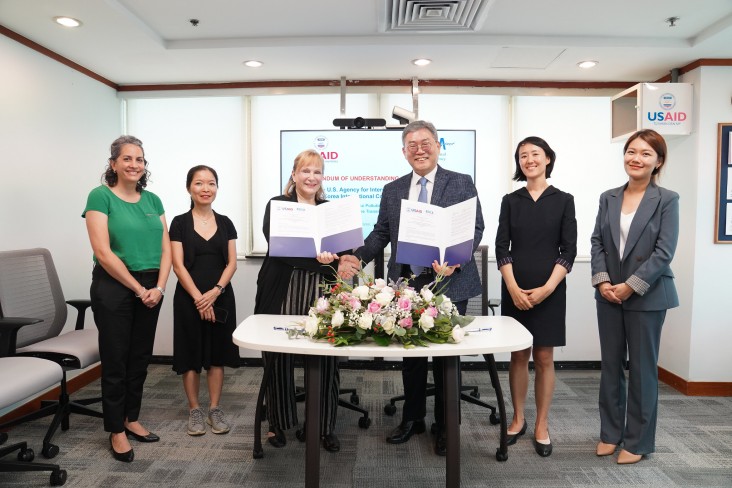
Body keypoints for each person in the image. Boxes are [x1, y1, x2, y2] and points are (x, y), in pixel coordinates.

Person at [353, 120, 485, 456]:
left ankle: (445, 424)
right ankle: (413, 419)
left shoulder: (460, 182)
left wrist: (455, 259)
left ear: (438, 146)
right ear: (404, 152)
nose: (419, 149)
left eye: (425, 143)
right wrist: (355, 258)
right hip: (408, 283)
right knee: (411, 358)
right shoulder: (393, 189)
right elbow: (380, 234)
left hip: (451, 280)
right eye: (412, 144)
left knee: (445, 359)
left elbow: (475, 227)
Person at [254, 149, 356, 453]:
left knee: (326, 358)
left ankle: (323, 427)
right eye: (306, 171)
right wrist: (327, 262)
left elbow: (349, 250)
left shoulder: (330, 209)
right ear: (294, 175)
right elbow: (282, 248)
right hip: (281, 289)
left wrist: (344, 259)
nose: (311, 177)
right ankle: (278, 423)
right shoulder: (278, 206)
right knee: (279, 358)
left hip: (321, 292)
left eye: (317, 172)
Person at [590, 129, 679, 465]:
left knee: (641, 370)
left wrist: (631, 284)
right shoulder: (608, 196)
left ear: (658, 161)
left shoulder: (667, 199)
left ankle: (638, 441)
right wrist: (603, 282)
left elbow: (664, 251)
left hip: (648, 294)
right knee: (611, 367)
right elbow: (597, 241)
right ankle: (610, 434)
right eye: (631, 151)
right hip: (609, 293)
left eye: (645, 153)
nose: (636, 158)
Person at [84, 135, 172, 463]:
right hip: (115, 286)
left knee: (139, 358)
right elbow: (103, 252)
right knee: (116, 359)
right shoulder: (100, 196)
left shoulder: (153, 201)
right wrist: (138, 289)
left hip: (152, 286)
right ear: (113, 164)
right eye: (127, 159)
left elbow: (166, 248)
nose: (134, 164)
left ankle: (130, 417)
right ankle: (115, 429)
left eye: (140, 159)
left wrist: (160, 287)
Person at [495, 136, 577, 458]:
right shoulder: (510, 200)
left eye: (535, 154)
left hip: (550, 290)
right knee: (518, 355)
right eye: (522, 155)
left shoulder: (564, 199)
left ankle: (542, 423)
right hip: (514, 288)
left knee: (543, 357)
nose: (528, 160)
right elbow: (502, 247)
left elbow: (568, 251)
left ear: (547, 159)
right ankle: (518, 418)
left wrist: (546, 288)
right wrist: (513, 288)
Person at [169, 165, 239, 437]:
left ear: (217, 188)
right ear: (189, 188)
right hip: (189, 298)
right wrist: (200, 299)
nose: (205, 189)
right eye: (199, 183)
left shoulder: (227, 222)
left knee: (217, 354)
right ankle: (195, 409)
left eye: (211, 183)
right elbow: (177, 265)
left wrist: (216, 292)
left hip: (221, 295)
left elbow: (232, 263)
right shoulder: (179, 222)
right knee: (190, 355)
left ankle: (215, 408)